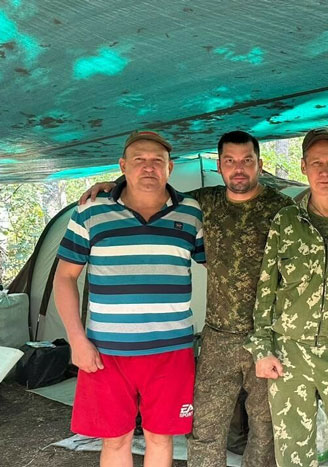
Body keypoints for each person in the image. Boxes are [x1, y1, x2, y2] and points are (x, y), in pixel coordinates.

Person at [80, 130, 291, 467]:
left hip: (267, 333)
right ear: (219, 166)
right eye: (230, 161)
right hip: (218, 335)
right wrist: (113, 185)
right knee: (204, 427)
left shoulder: (284, 209)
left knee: (265, 428)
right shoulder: (201, 203)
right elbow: (150, 189)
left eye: (247, 161)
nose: (238, 169)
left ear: (260, 164)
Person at [54, 130, 206, 467]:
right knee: (115, 439)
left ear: (170, 167)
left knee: (160, 437)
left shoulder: (191, 213)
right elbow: (64, 278)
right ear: (123, 166)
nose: (149, 167)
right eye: (139, 160)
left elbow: (218, 261)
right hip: (106, 351)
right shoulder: (91, 211)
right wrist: (76, 341)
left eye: (157, 161)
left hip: (171, 350)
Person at [246, 128, 328, 467]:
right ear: (303, 167)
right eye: (316, 163)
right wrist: (262, 349)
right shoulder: (286, 220)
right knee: (292, 453)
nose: (325, 171)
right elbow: (266, 287)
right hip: (290, 351)